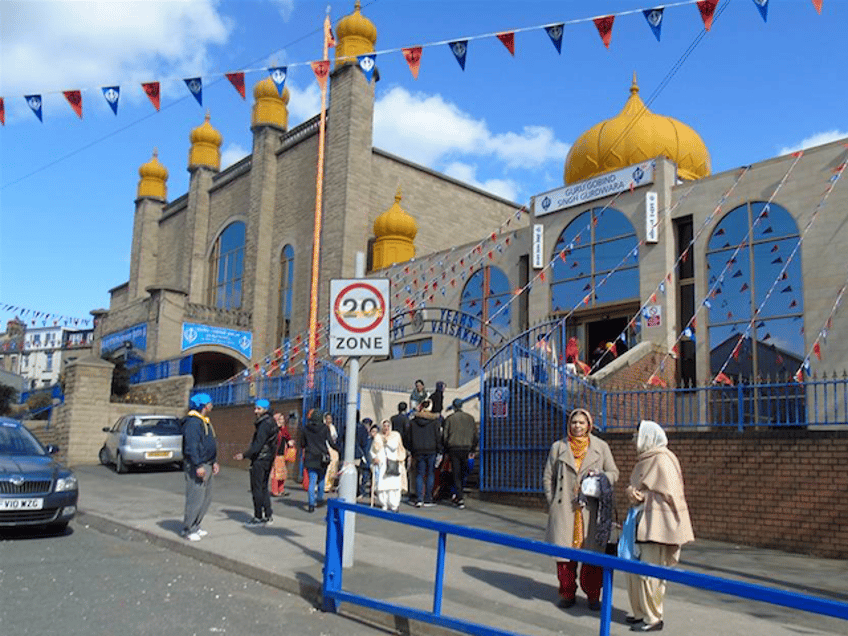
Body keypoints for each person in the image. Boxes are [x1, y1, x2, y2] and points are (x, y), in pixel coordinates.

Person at [543, 408, 619, 611]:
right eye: (574, 422)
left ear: (589, 425)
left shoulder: (600, 447)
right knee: (564, 559)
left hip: (591, 511)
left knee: (592, 557)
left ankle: (593, 595)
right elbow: (548, 477)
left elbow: (614, 472)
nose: (577, 426)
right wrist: (553, 502)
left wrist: (602, 477)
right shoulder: (558, 447)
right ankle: (567, 593)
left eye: (581, 423)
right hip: (565, 510)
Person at [624, 420, 694, 632]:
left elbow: (672, 496)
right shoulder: (644, 460)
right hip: (638, 523)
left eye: (638, 435)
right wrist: (631, 492)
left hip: (656, 525)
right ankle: (639, 612)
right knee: (633, 571)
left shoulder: (663, 460)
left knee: (650, 573)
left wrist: (643, 496)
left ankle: (653, 617)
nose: (635, 440)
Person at [234, 399, 278, 526]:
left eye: (258, 408)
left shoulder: (264, 424)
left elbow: (258, 444)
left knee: (257, 488)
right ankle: (268, 515)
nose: (255, 411)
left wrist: (245, 455)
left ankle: (258, 516)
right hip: (268, 458)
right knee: (263, 487)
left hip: (260, 458)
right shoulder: (271, 422)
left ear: (265, 409)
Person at [181, 393, 218, 542]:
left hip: (207, 463)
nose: (211, 405)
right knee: (195, 497)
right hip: (198, 464)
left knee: (206, 498)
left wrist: (214, 461)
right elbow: (192, 446)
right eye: (209, 402)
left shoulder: (205, 421)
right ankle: (188, 529)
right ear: (204, 405)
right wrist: (197, 465)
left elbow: (208, 444)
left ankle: (196, 524)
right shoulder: (193, 423)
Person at [441, 398, 477, 509]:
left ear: (453, 407)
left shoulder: (449, 419)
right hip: (466, 448)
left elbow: (445, 436)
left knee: (456, 472)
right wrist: (472, 448)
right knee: (463, 472)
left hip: (453, 448)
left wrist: (445, 449)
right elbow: (475, 435)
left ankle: (459, 497)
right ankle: (459, 493)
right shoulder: (470, 418)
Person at [299, 408, 336, 512]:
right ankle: (319, 499)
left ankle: (311, 504)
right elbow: (330, 442)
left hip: (310, 456)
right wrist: (339, 450)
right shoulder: (325, 428)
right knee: (322, 479)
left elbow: (302, 443)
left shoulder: (305, 428)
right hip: (322, 456)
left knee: (312, 480)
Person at [408, 399, 441, 508]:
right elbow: (438, 437)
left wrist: (412, 449)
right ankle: (428, 498)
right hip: (431, 450)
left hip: (418, 450)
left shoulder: (413, 422)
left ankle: (419, 499)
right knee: (430, 474)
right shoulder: (435, 422)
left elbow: (409, 437)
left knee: (419, 474)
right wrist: (439, 450)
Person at [371, 418, 407, 512]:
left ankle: (394, 505)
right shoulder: (378, 436)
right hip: (381, 464)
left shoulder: (395, 435)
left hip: (393, 463)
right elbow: (373, 450)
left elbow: (394, 447)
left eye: (388, 426)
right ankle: (384, 504)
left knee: (394, 486)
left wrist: (386, 440)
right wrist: (374, 457)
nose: (386, 428)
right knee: (382, 486)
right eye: (384, 426)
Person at [270, 412, 294, 497]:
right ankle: (275, 491)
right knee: (276, 474)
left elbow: (287, 437)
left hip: (282, 453)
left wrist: (290, 442)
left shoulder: (283, 429)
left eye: (283, 419)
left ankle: (281, 490)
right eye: (280, 419)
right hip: (275, 454)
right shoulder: (274, 429)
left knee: (282, 473)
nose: (282, 421)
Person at [323, 412, 339, 493]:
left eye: (330, 418)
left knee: (333, 467)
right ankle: (325, 485)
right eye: (327, 418)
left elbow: (334, 438)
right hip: (327, 448)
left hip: (333, 449)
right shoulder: (323, 427)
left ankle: (330, 485)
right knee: (328, 468)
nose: (329, 420)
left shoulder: (332, 427)